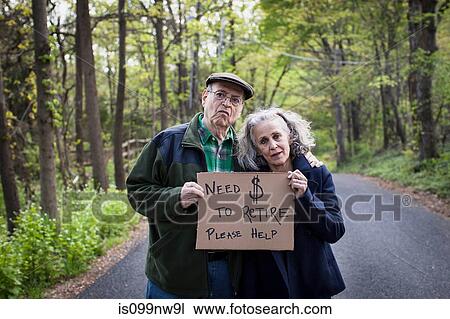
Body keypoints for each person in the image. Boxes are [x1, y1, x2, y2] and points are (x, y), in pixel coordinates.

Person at [127, 73, 322, 298]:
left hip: (231, 272)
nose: (226, 103)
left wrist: (304, 155)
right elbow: (136, 191)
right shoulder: (168, 142)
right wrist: (175, 197)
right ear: (204, 97)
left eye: (235, 100)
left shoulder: (247, 152)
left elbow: (279, 157)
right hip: (175, 270)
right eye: (220, 95)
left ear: (240, 109)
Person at [236, 107, 345, 298]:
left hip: (311, 282)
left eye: (277, 136)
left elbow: (334, 230)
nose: (272, 145)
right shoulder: (248, 181)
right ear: (257, 150)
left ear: (290, 137)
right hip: (267, 286)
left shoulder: (317, 173)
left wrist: (305, 197)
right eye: (263, 141)